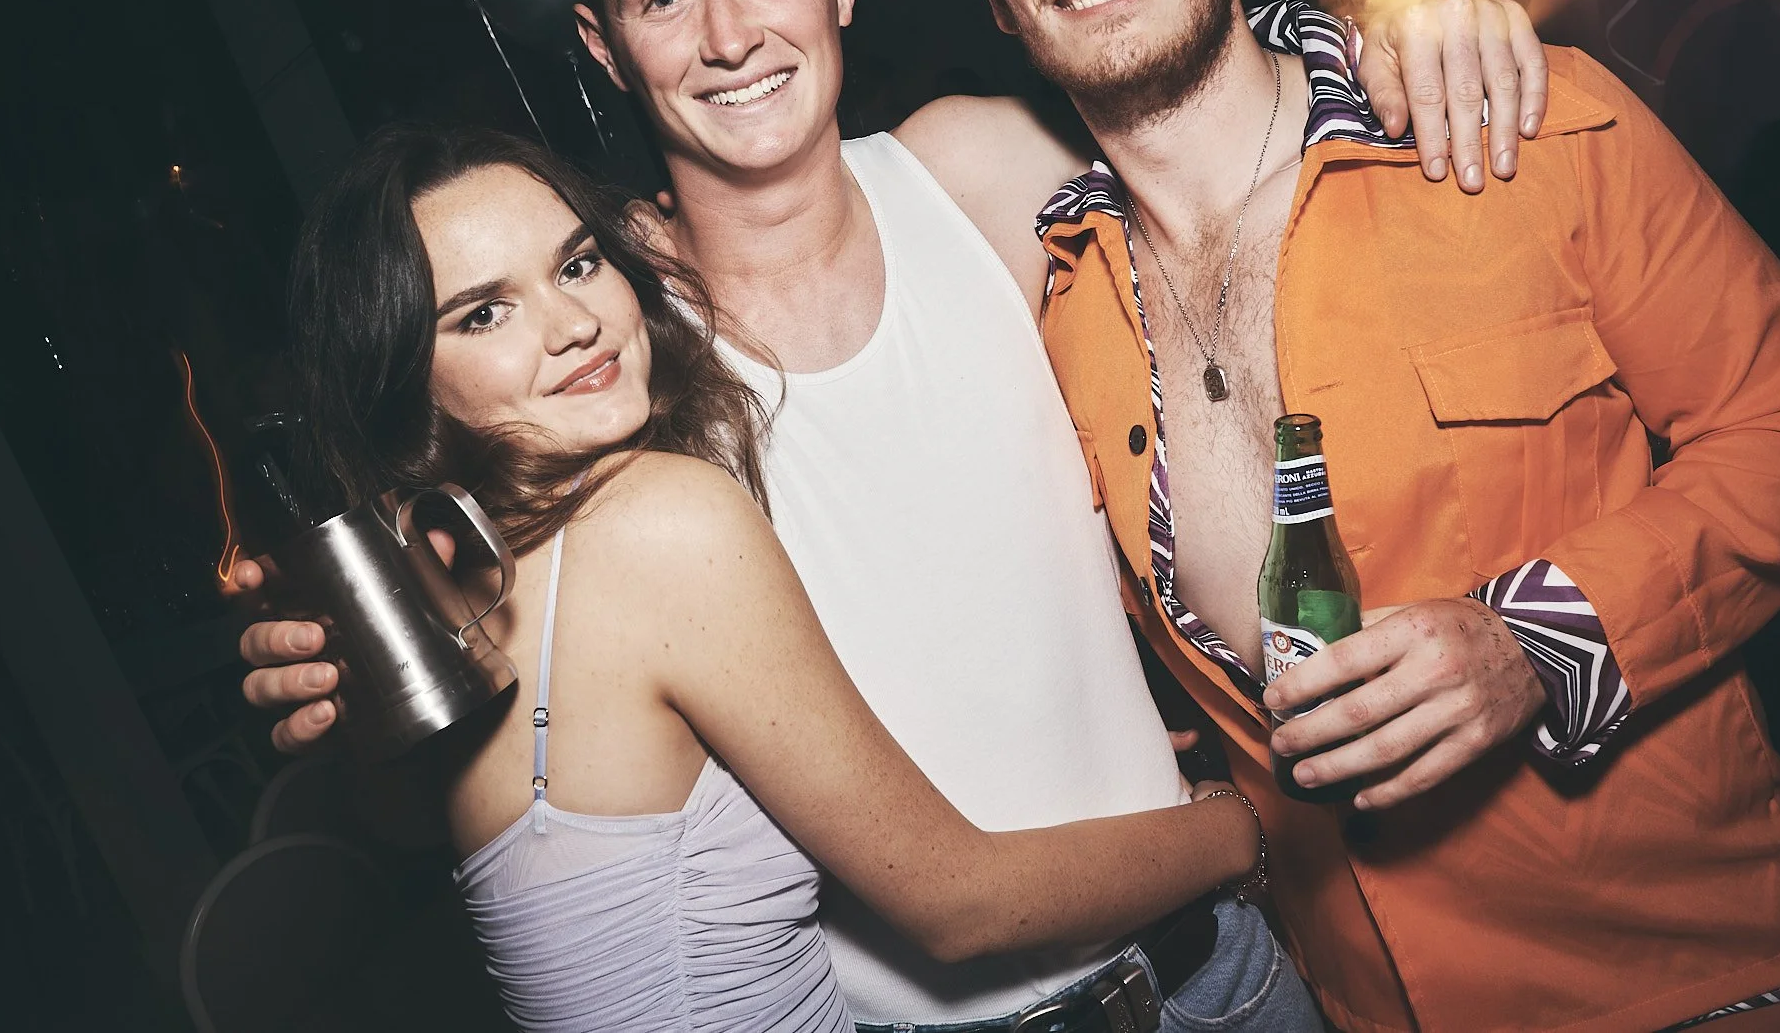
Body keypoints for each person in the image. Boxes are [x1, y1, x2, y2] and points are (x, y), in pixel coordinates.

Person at [233, 0, 1543, 1027]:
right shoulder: (601, 334)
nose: (729, 36)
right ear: (601, 45)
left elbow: (1216, 126)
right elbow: (503, 761)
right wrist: (357, 694)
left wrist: (1388, 36)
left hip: (1219, 971)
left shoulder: (973, 170)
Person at [943, 0, 1780, 1033]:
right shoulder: (1058, 311)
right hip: (1361, 1000)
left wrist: (1535, 641)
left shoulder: (1520, 127)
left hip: (1699, 976)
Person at [282, 120, 1267, 1032]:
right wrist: (1239, 828)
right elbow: (960, 903)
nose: (572, 322)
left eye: (577, 263)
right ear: (405, 380)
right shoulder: (657, 517)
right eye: (484, 313)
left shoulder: (466, 585)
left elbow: (443, 830)